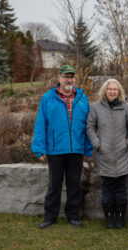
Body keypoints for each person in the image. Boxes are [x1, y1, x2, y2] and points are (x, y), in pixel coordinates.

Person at [31, 64, 93, 229]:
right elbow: (40, 124)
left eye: (71, 76)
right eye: (66, 76)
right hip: (55, 149)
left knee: (74, 185)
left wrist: (88, 147)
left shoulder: (82, 97)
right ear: (59, 78)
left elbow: (88, 125)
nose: (69, 79)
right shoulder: (48, 98)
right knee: (54, 185)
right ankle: (50, 216)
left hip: (76, 149)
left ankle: (72, 216)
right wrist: (39, 148)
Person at [86, 78, 128, 229]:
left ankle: (120, 218)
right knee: (107, 189)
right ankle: (108, 218)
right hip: (104, 155)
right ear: (105, 91)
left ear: (119, 91)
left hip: (123, 154)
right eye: (110, 89)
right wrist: (97, 144)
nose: (112, 91)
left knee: (121, 190)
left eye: (115, 89)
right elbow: (89, 126)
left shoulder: (125, 106)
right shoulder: (96, 107)